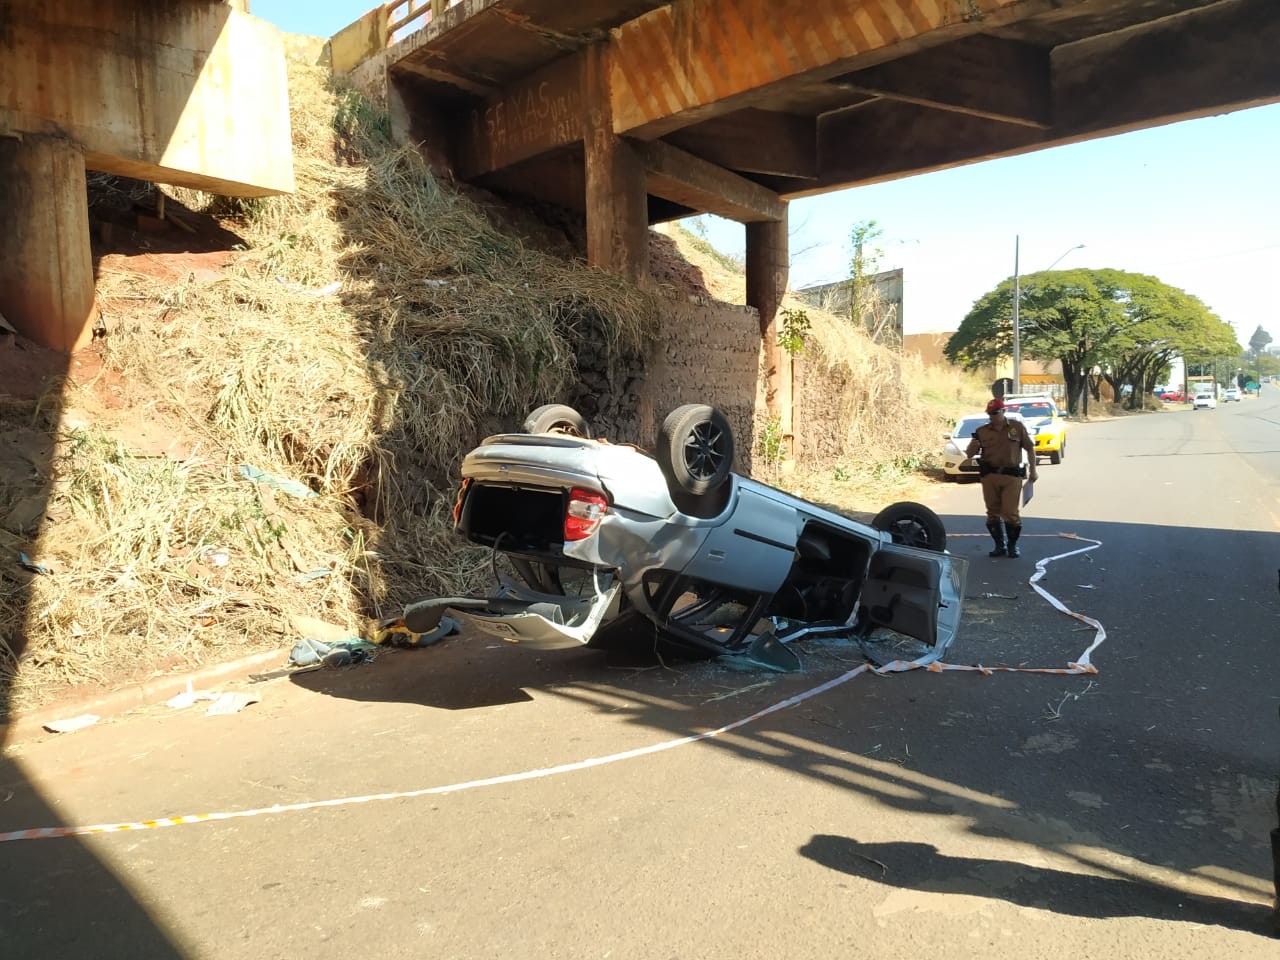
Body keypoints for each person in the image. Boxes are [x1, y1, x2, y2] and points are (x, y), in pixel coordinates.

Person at [966, 397, 1038, 558]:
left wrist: (1033, 471)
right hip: (990, 476)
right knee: (992, 512)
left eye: (995, 413)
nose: (992, 416)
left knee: (1010, 513)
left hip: (1011, 476)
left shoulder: (1016, 427)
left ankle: (1012, 545)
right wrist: (973, 446)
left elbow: (1030, 449)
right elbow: (969, 454)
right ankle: (999, 545)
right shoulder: (982, 431)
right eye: (990, 413)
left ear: (1003, 411)